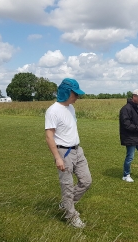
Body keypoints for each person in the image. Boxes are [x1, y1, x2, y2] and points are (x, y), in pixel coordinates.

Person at [45, 78, 92, 228]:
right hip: (64, 153)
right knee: (67, 186)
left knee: (86, 181)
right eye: (75, 94)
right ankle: (71, 216)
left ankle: (67, 204)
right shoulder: (53, 111)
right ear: (66, 92)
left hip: (78, 150)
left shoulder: (71, 108)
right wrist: (57, 158)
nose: (77, 97)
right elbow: (49, 135)